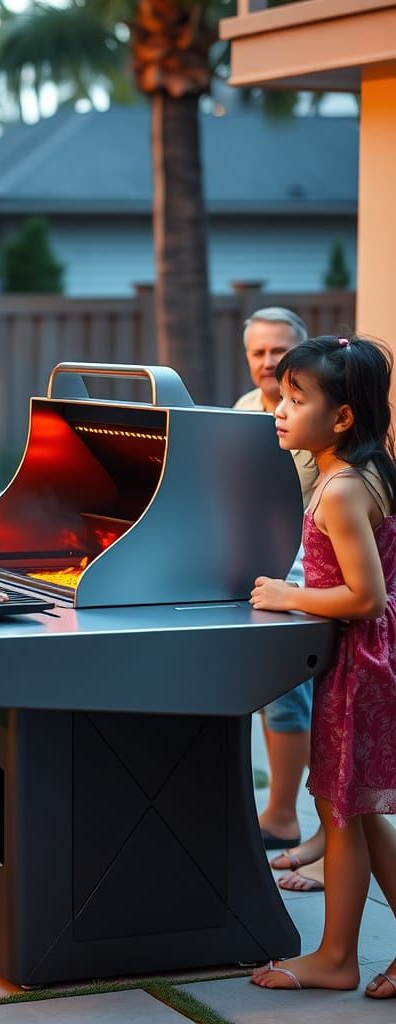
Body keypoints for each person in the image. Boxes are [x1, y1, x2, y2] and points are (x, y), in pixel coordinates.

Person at [249, 334, 396, 996]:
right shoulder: (362, 470)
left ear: (342, 417)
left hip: (357, 669)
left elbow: (364, 596)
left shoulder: (338, 488)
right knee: (360, 811)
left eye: (295, 399)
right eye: (281, 395)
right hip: (366, 662)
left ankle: (336, 958)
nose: (279, 409)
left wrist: (288, 594)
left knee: (340, 812)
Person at [234, 308, 321, 867]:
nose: (268, 362)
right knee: (262, 693)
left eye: (279, 351)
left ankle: (286, 814)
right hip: (257, 567)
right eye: (258, 352)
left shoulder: (316, 420)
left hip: (306, 578)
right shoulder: (243, 411)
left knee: (287, 697)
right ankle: (283, 812)